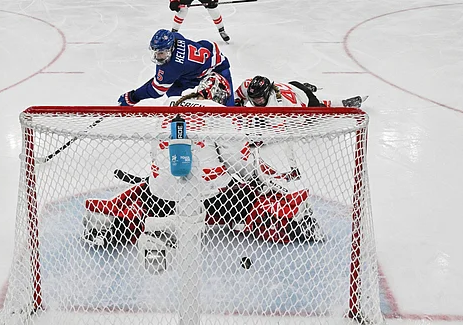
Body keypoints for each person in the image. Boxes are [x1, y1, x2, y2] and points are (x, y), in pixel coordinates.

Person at [84, 73, 325, 250]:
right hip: (211, 199)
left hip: (163, 195)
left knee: (146, 190)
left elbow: (155, 152)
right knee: (251, 196)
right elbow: (238, 162)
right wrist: (255, 178)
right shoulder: (220, 113)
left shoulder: (171, 106)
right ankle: (291, 220)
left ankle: (113, 221)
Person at [118, 29, 235, 107]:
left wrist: (133, 97)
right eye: (156, 52)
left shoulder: (173, 66)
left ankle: (231, 134)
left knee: (225, 109)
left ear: (170, 49)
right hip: (197, 67)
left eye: (161, 53)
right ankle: (180, 118)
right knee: (173, 91)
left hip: (217, 69)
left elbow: (156, 90)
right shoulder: (175, 37)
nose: (157, 56)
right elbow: (162, 81)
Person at [234, 76, 365, 108]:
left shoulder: (276, 106)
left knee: (321, 109)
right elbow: (237, 97)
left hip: (304, 100)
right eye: (253, 99)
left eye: (259, 99)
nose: (256, 102)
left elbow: (267, 137)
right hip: (292, 85)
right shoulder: (248, 85)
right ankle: (306, 86)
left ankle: (344, 104)